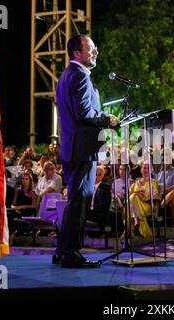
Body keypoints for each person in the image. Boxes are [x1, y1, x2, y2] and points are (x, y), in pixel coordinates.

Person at [54, 34, 118, 268]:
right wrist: (108, 119)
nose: (96, 52)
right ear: (76, 53)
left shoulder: (66, 76)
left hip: (73, 148)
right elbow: (85, 113)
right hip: (83, 149)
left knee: (74, 200)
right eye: (91, 48)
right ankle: (71, 253)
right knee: (80, 201)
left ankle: (62, 250)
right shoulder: (79, 76)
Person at [128, 162, 160, 239]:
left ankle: (135, 223)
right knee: (133, 197)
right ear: (141, 169)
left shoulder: (153, 182)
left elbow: (156, 197)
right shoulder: (136, 182)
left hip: (147, 205)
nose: (145, 170)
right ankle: (137, 220)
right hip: (135, 204)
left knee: (133, 198)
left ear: (151, 170)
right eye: (144, 168)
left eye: (148, 168)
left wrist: (144, 198)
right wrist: (136, 193)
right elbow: (129, 194)